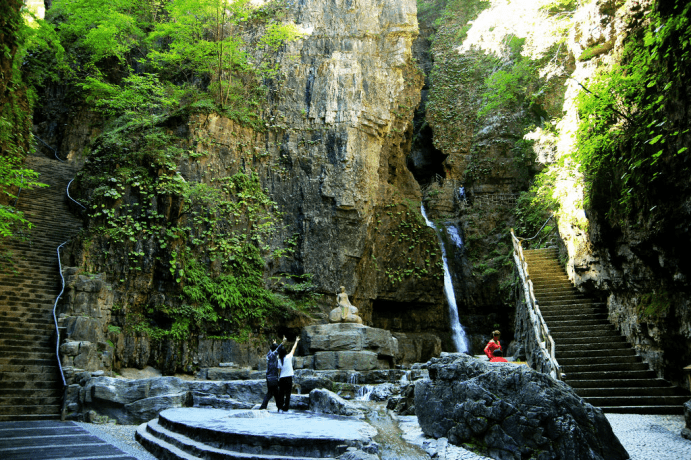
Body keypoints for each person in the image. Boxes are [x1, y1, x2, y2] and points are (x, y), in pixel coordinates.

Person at [259, 338, 284, 411]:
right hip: (273, 378)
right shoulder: (272, 356)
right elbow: (276, 351)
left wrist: (274, 343)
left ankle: (279, 407)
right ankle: (263, 406)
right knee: (271, 393)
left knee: (275, 393)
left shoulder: (269, 354)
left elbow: (274, 350)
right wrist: (282, 343)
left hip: (269, 378)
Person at [277, 335, 300, 413]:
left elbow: (279, 371)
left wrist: (279, 378)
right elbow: (293, 348)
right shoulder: (289, 357)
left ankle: (280, 407)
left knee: (281, 394)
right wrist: (296, 341)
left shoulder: (279, 360)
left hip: (282, 378)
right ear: (285, 352)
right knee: (288, 394)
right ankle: (286, 407)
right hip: (289, 378)